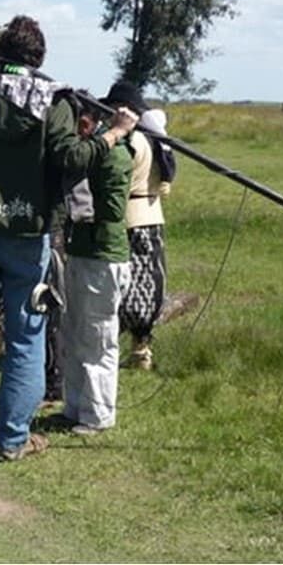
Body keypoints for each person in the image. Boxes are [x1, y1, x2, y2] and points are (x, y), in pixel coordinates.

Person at [0, 15, 138, 461]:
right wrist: (114, 133)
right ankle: (13, 439)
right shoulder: (56, 101)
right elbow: (72, 158)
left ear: (0, 52)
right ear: (39, 58)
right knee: (26, 336)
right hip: (29, 237)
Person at [60, 97, 135, 435]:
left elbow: (111, 209)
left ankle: (97, 414)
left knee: (99, 339)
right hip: (81, 250)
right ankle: (75, 407)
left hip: (103, 257)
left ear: (88, 125)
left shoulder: (113, 155)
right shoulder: (96, 151)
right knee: (75, 333)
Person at [114, 86, 174, 370]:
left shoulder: (130, 141)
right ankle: (141, 350)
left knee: (124, 289)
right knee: (148, 288)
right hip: (152, 215)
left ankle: (114, 347)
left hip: (129, 217)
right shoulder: (156, 141)